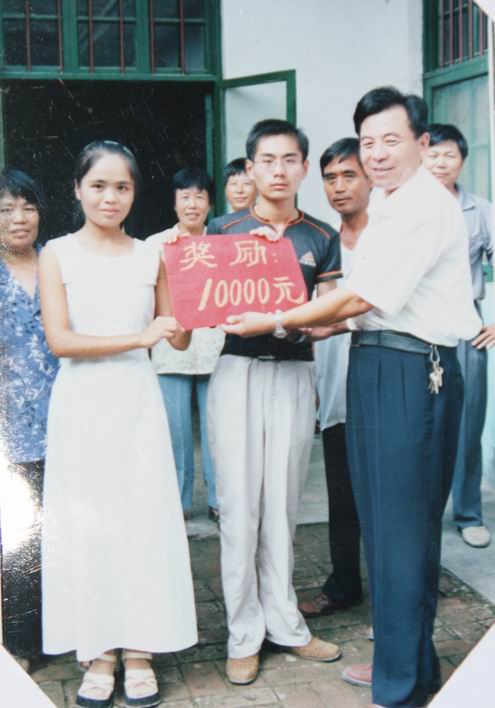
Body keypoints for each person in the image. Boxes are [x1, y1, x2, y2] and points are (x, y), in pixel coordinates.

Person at [223, 88, 482, 708]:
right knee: (388, 527)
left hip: (411, 371)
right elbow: (371, 300)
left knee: (400, 531)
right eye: (368, 142)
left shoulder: (423, 205)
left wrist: (277, 320)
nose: (377, 154)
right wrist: (330, 325)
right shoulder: (392, 202)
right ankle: (406, 664)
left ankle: (400, 688)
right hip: (378, 360)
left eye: (391, 140)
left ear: (422, 142)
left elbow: (365, 296)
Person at [39, 141, 197, 708]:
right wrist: (140, 337)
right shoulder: (57, 253)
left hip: (137, 402)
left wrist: (191, 305)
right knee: (91, 522)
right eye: (99, 185)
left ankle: (139, 650)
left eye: (122, 187)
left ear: (134, 193)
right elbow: (61, 341)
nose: (111, 197)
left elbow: (178, 336)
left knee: (141, 521)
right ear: (78, 189)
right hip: (83, 402)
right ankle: (98, 650)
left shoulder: (151, 255)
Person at [206, 119, 343, 685]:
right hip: (237, 371)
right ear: (250, 168)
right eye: (267, 160)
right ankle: (243, 633)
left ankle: (286, 624)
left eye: (290, 160)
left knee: (284, 501)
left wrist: (299, 324)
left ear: (304, 167)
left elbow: (331, 310)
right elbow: (207, 306)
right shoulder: (224, 228)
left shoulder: (320, 235)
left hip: (293, 373)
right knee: (239, 502)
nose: (279, 170)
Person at [298, 138, 371, 621]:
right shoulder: (322, 242)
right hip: (335, 389)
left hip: (382, 388)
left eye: (349, 175)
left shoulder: (388, 237)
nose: (339, 186)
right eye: (330, 178)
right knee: (342, 498)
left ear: (369, 179)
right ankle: (344, 585)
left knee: (385, 499)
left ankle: (395, 592)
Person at [424, 123, 494, 548]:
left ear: (462, 161)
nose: (440, 162)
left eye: (448, 155)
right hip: (417, 321)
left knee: (468, 420)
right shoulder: (405, 205)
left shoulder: (481, 210)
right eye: (432, 154)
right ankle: (423, 512)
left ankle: (468, 513)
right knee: (421, 419)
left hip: (466, 322)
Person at [0, 169, 59, 671]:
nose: (19, 218)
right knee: (21, 539)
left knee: (70, 531)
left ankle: (71, 630)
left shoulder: (59, 264)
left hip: (68, 422)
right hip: (10, 432)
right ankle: (22, 642)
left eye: (28, 207)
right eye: (5, 209)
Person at [146, 167, 224, 523]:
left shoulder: (223, 242)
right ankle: (178, 503)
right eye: (185, 197)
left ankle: (219, 499)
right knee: (175, 432)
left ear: (210, 203)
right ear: (174, 203)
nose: (192, 204)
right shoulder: (155, 245)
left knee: (216, 430)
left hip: (216, 347)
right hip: (170, 350)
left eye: (199, 197)